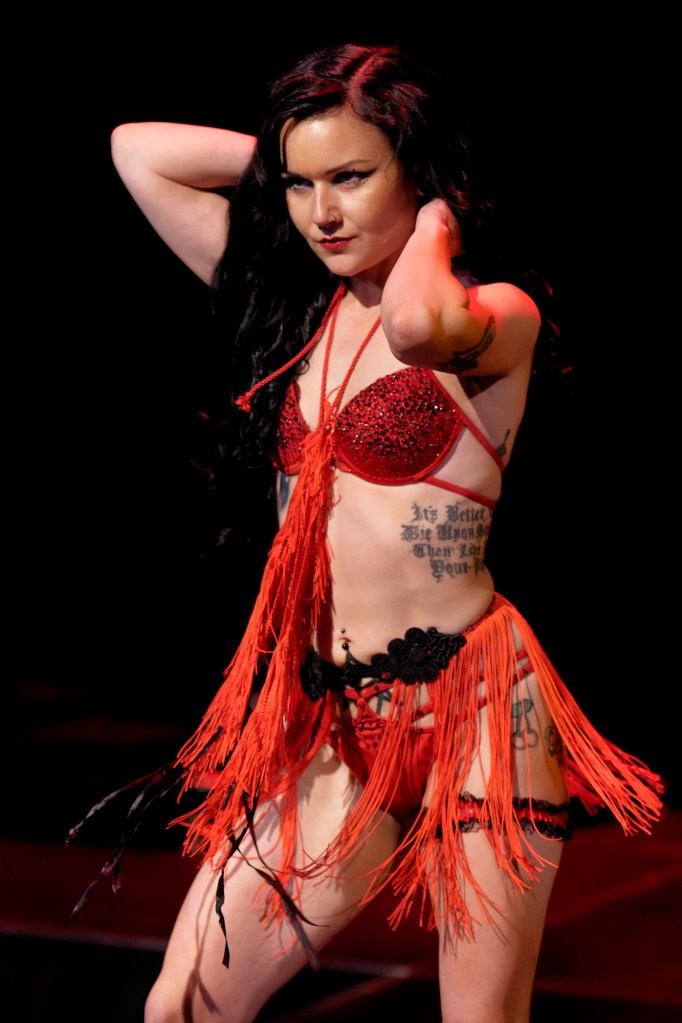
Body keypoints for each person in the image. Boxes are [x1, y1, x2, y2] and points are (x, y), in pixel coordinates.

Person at [76, 42, 664, 1023]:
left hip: (478, 710)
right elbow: (137, 151)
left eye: (351, 177)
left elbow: (418, 329)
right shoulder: (296, 309)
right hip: (334, 722)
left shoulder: (494, 314)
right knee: (181, 1010)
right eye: (301, 186)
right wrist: (293, 162)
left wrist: (434, 221)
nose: (322, 213)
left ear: (420, 170)